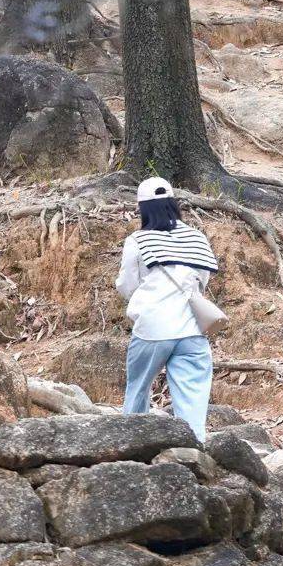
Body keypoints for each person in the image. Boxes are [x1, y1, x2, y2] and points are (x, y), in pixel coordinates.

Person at [115, 176, 218, 441]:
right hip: (192, 331)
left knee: (138, 389)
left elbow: (127, 284)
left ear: (143, 208)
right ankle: (193, 447)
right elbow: (202, 281)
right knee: (192, 395)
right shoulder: (197, 238)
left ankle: (132, 442)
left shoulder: (138, 240)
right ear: (174, 204)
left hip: (152, 328)